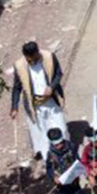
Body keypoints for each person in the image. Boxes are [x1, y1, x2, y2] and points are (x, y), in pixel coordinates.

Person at [12, 40, 69, 172]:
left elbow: (58, 74)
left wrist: (51, 87)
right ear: (26, 57)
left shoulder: (48, 57)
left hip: (51, 100)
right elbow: (17, 88)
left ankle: (66, 154)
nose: (34, 59)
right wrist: (14, 107)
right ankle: (48, 160)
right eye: (30, 58)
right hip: (34, 106)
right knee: (41, 134)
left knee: (61, 127)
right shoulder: (19, 66)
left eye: (36, 56)